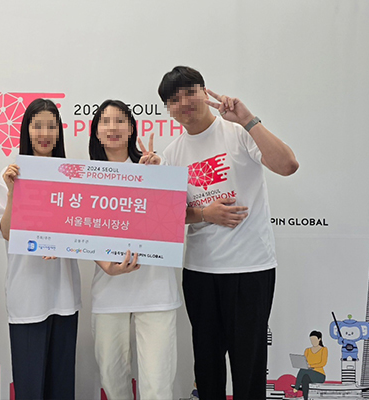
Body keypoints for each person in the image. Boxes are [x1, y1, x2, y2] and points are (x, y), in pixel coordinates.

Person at [159, 66, 299, 399]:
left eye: (190, 92)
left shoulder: (238, 132)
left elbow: (288, 165)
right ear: (168, 109)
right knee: (207, 367)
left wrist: (248, 120)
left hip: (250, 268)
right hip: (200, 272)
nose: (184, 103)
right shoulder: (172, 153)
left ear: (205, 92)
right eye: (174, 99)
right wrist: (205, 214)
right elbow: (169, 216)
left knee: (249, 365)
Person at [88, 99, 182, 399]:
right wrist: (106, 266)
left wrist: (157, 176)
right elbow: (82, 231)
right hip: (109, 291)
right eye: (105, 121)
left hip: (155, 290)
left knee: (157, 385)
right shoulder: (86, 176)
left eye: (120, 120)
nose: (113, 127)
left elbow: (174, 217)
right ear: (96, 131)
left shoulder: (153, 167)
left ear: (131, 128)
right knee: (112, 380)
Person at [0, 98, 81, 400]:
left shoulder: (72, 175)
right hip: (28, 296)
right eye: (37, 126)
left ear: (59, 132)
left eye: (51, 126)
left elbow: (82, 230)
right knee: (29, 389)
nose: (44, 133)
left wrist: (61, 243)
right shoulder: (10, 175)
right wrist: (13, 192)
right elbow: (6, 232)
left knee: (61, 389)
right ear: (26, 130)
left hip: (64, 295)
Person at [294, 331, 328, 400]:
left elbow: (323, 363)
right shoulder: (307, 350)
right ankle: (305, 398)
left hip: (319, 374)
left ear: (319, 339)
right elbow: (304, 362)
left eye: (314, 340)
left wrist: (311, 366)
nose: (313, 342)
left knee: (303, 370)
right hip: (308, 372)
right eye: (311, 340)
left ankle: (296, 387)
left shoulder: (324, 349)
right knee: (305, 378)